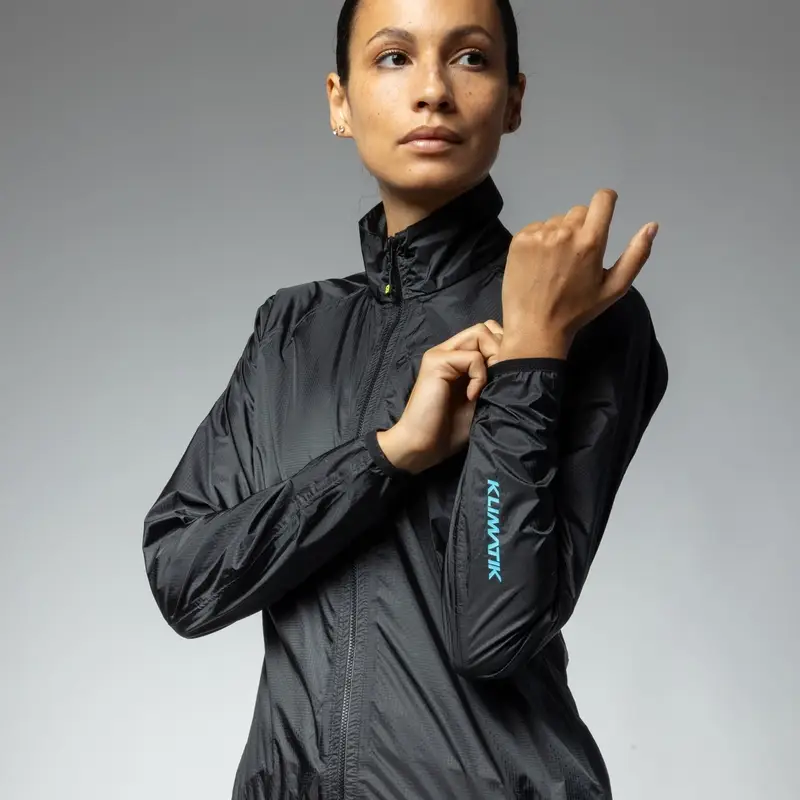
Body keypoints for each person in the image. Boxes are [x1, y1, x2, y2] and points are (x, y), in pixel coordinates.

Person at [141, 0, 669, 797]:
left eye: (469, 57)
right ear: (340, 102)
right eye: (393, 57)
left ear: (513, 99)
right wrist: (390, 455)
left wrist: (531, 356)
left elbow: (496, 631)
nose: (432, 91)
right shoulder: (293, 331)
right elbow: (185, 581)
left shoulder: (582, 318)